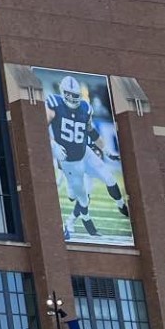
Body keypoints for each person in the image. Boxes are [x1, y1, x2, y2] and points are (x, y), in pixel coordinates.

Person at [47, 75, 128, 240]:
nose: (72, 97)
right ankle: (84, 223)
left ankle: (121, 205)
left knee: (110, 178)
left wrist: (105, 150)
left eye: (74, 94)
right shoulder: (54, 104)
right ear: (63, 93)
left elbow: (91, 130)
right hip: (70, 162)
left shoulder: (85, 107)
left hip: (86, 153)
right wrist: (53, 144)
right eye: (69, 94)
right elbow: (39, 125)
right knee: (82, 199)